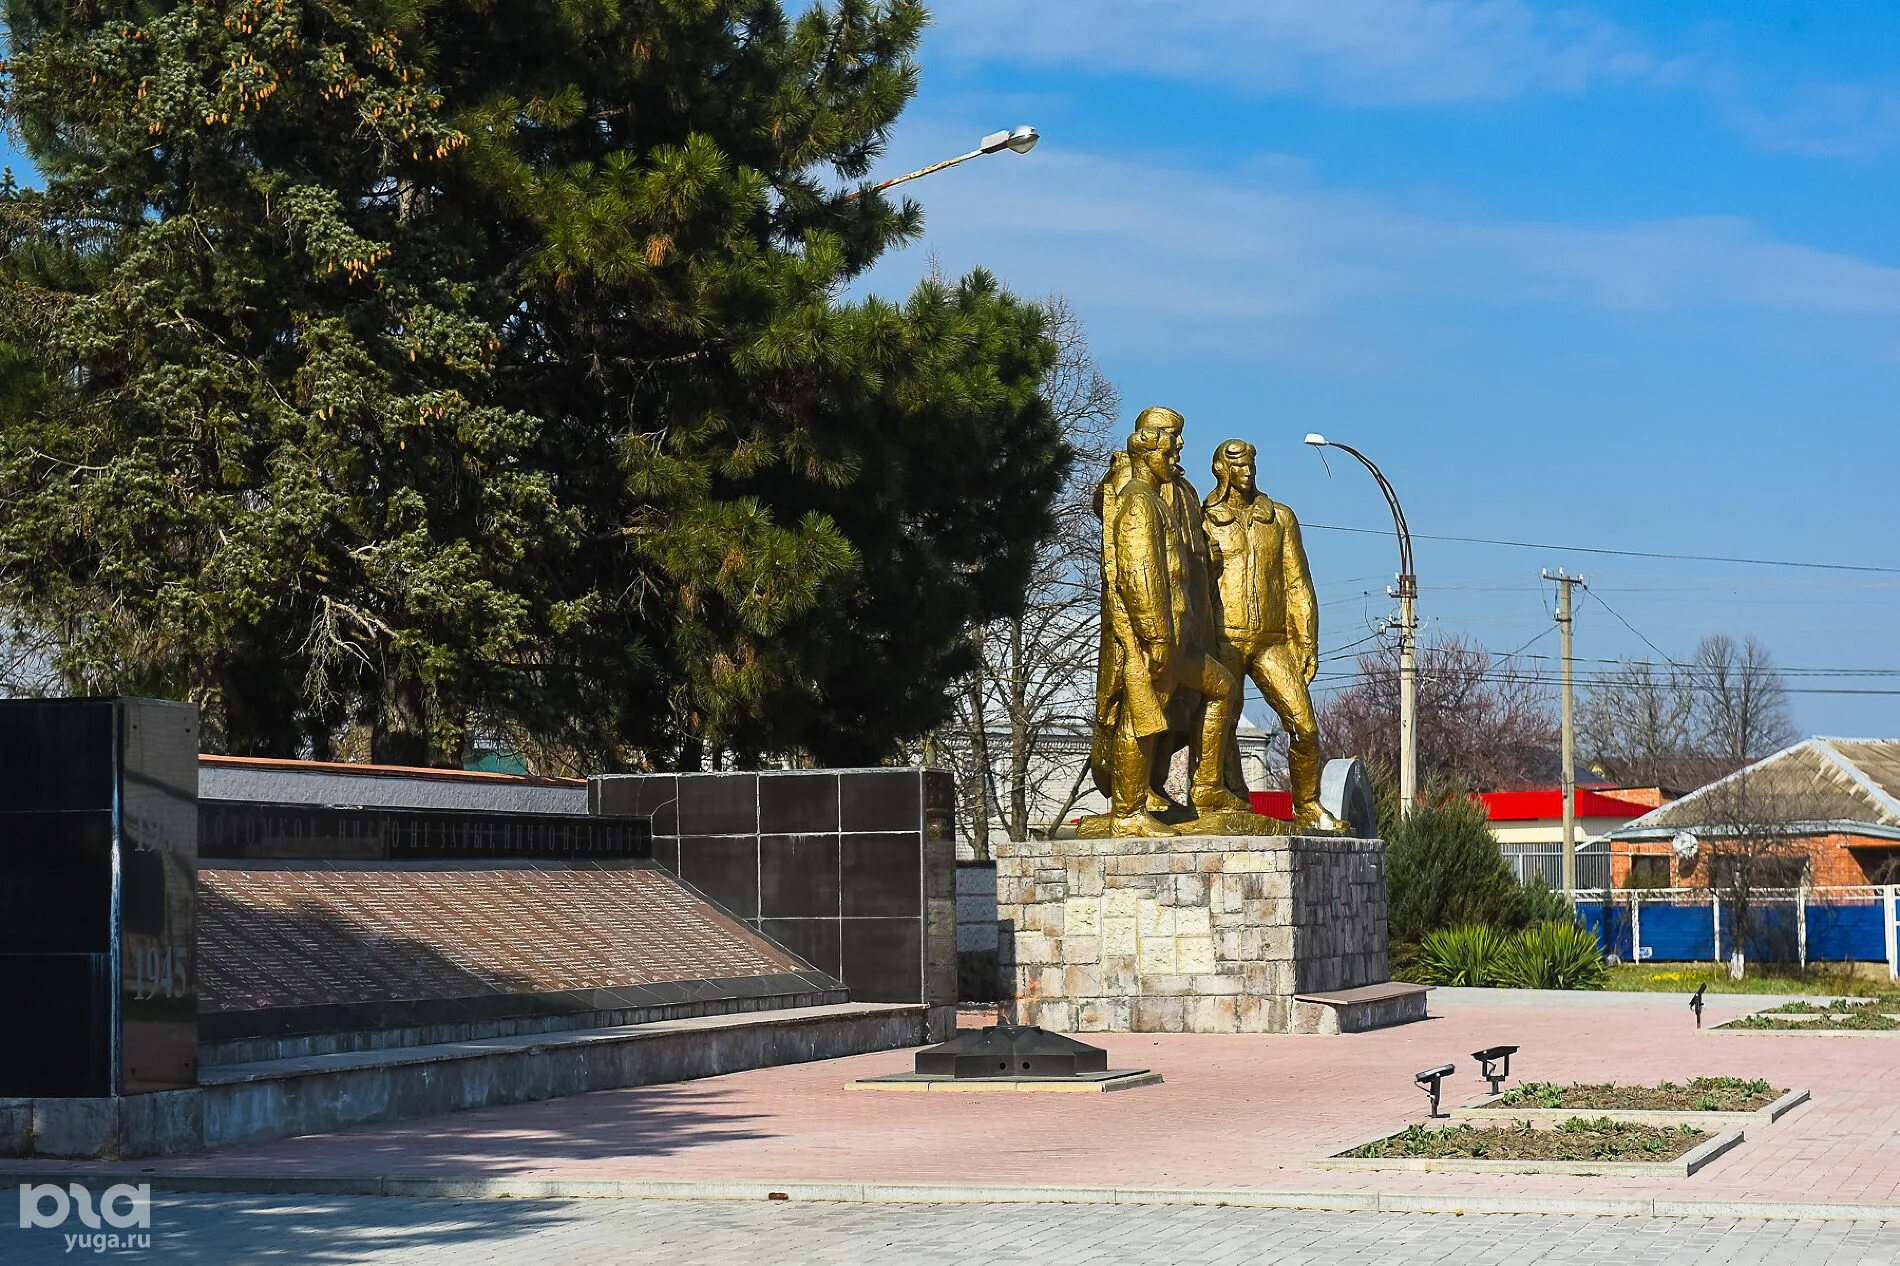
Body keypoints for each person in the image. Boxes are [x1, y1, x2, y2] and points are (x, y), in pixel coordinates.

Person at [1203, 439, 1334, 831]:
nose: (1247, 472)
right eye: (1239, 466)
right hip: (1221, 638)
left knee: (1304, 725)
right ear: (1222, 471)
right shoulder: (1202, 518)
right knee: (1220, 724)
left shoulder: (1279, 518)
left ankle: (1307, 804)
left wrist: (1307, 640)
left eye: (1251, 465)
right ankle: (1224, 797)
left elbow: (1298, 583)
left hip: (1272, 640)